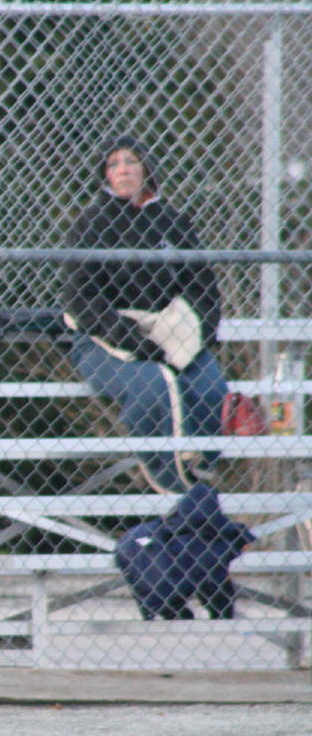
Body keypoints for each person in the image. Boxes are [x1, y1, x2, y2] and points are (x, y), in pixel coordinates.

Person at [62, 135, 228, 495]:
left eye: (131, 161)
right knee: (152, 386)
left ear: (146, 169)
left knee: (210, 387)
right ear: (105, 175)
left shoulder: (173, 222)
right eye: (114, 164)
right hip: (108, 338)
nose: (123, 170)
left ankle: (202, 469)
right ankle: (171, 480)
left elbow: (203, 289)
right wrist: (131, 338)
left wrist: (191, 332)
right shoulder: (91, 224)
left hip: (170, 331)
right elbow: (80, 297)